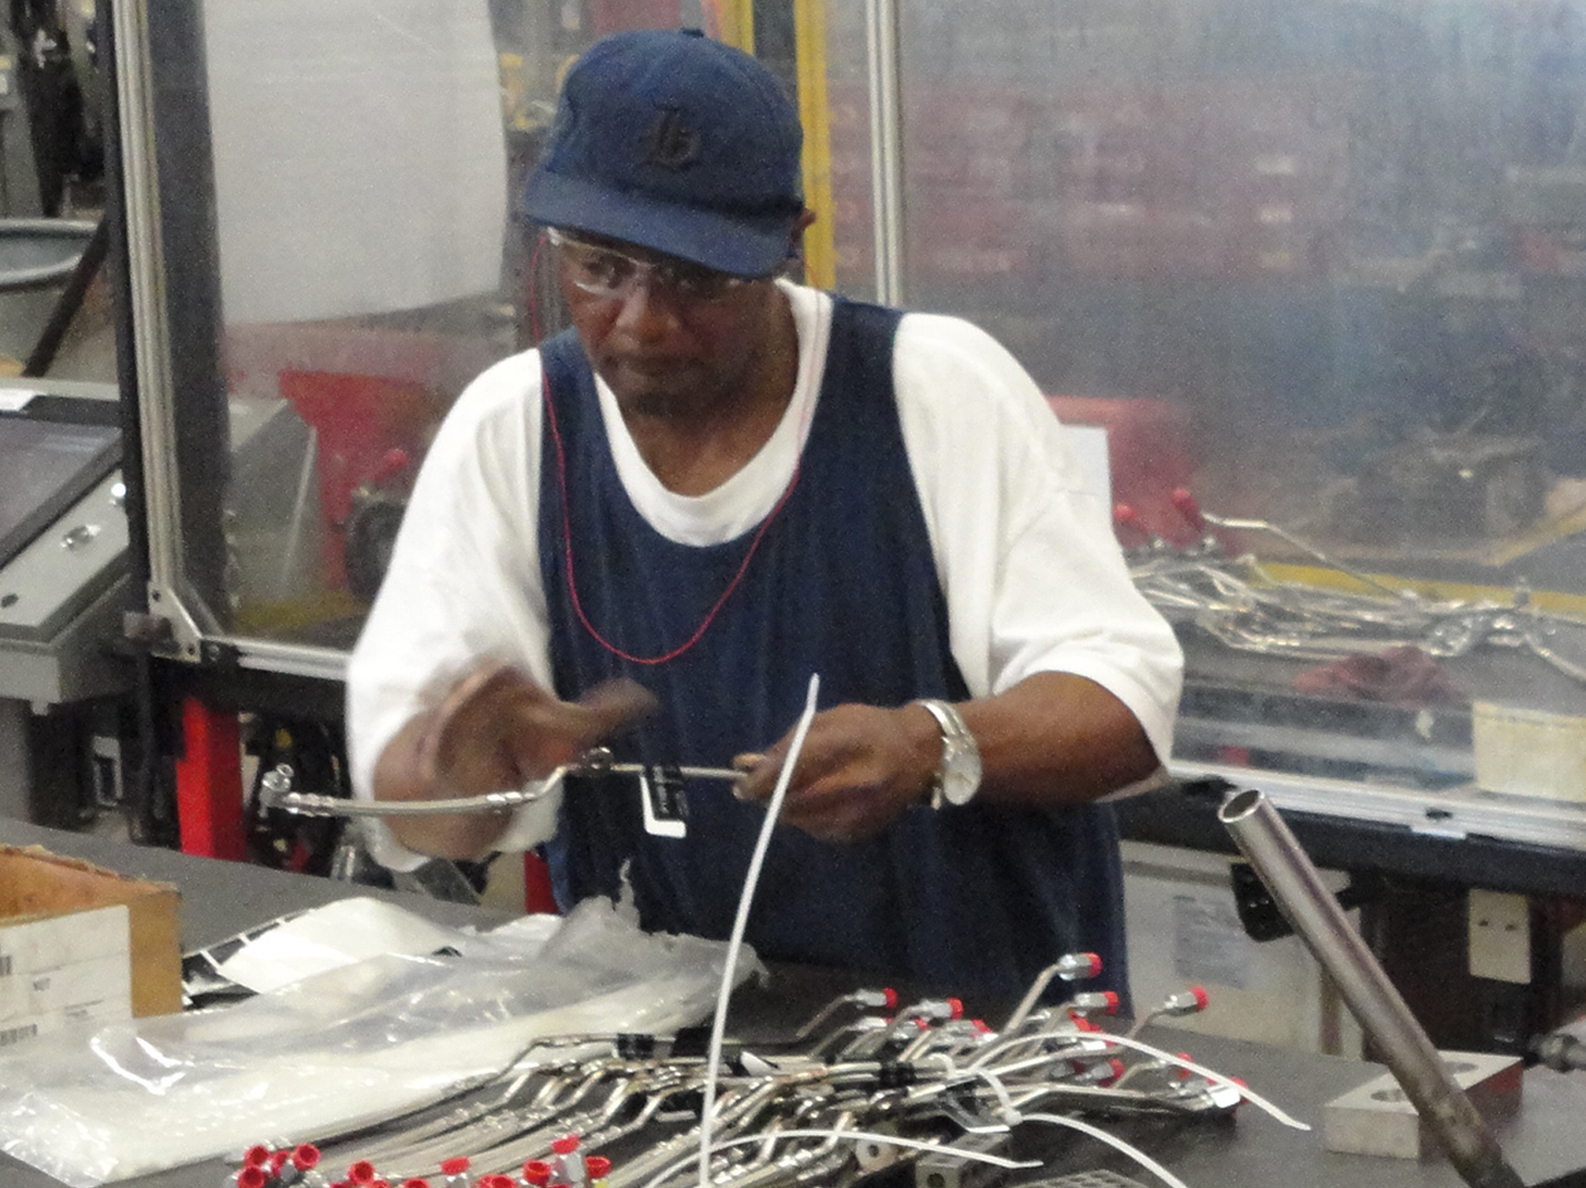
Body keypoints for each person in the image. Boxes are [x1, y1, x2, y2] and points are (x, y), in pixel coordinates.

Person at [346, 29, 1180, 1001]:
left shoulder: (930, 392)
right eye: (602, 267)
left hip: (985, 1054)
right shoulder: (518, 427)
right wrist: (473, 767)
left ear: (790, 244)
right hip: (671, 1070)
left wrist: (931, 744)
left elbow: (1124, 705)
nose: (643, 319)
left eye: (695, 278)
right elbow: (422, 818)